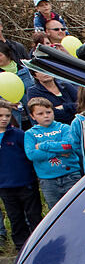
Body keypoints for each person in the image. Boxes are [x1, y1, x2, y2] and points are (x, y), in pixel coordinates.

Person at [0, 100, 41, 250]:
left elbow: (29, 155)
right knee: (15, 217)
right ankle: (21, 246)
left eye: (7, 115)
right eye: (0, 115)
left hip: (26, 183)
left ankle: (38, 242)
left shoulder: (19, 134)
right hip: (5, 186)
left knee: (34, 215)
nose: (4, 119)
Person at [24, 97, 80, 207]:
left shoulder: (64, 128)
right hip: (47, 180)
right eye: (40, 114)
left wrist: (43, 146)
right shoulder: (30, 134)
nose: (46, 116)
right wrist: (58, 152)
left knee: (77, 206)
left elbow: (69, 146)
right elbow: (32, 155)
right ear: (32, 116)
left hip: (71, 175)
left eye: (48, 112)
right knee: (56, 210)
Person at [0, 42, 33, 128]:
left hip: (32, 114)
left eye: (0, 55)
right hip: (12, 117)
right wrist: (4, 103)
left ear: (8, 54)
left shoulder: (24, 69)